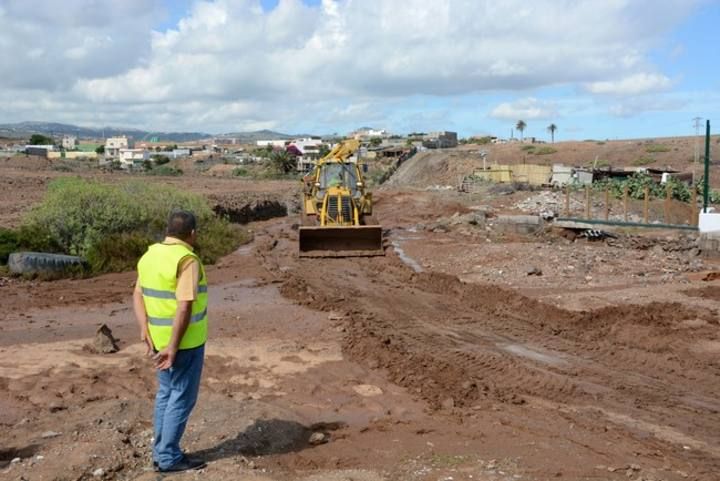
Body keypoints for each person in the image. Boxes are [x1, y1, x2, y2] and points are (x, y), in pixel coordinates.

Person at [133, 210, 209, 473]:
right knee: (181, 398)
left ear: (167, 230)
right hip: (183, 344)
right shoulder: (186, 259)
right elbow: (184, 307)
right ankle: (168, 458)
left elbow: (137, 294)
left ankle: (160, 452)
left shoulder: (150, 255)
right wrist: (173, 348)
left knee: (166, 394)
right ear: (192, 234)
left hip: (157, 339)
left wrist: (144, 328)